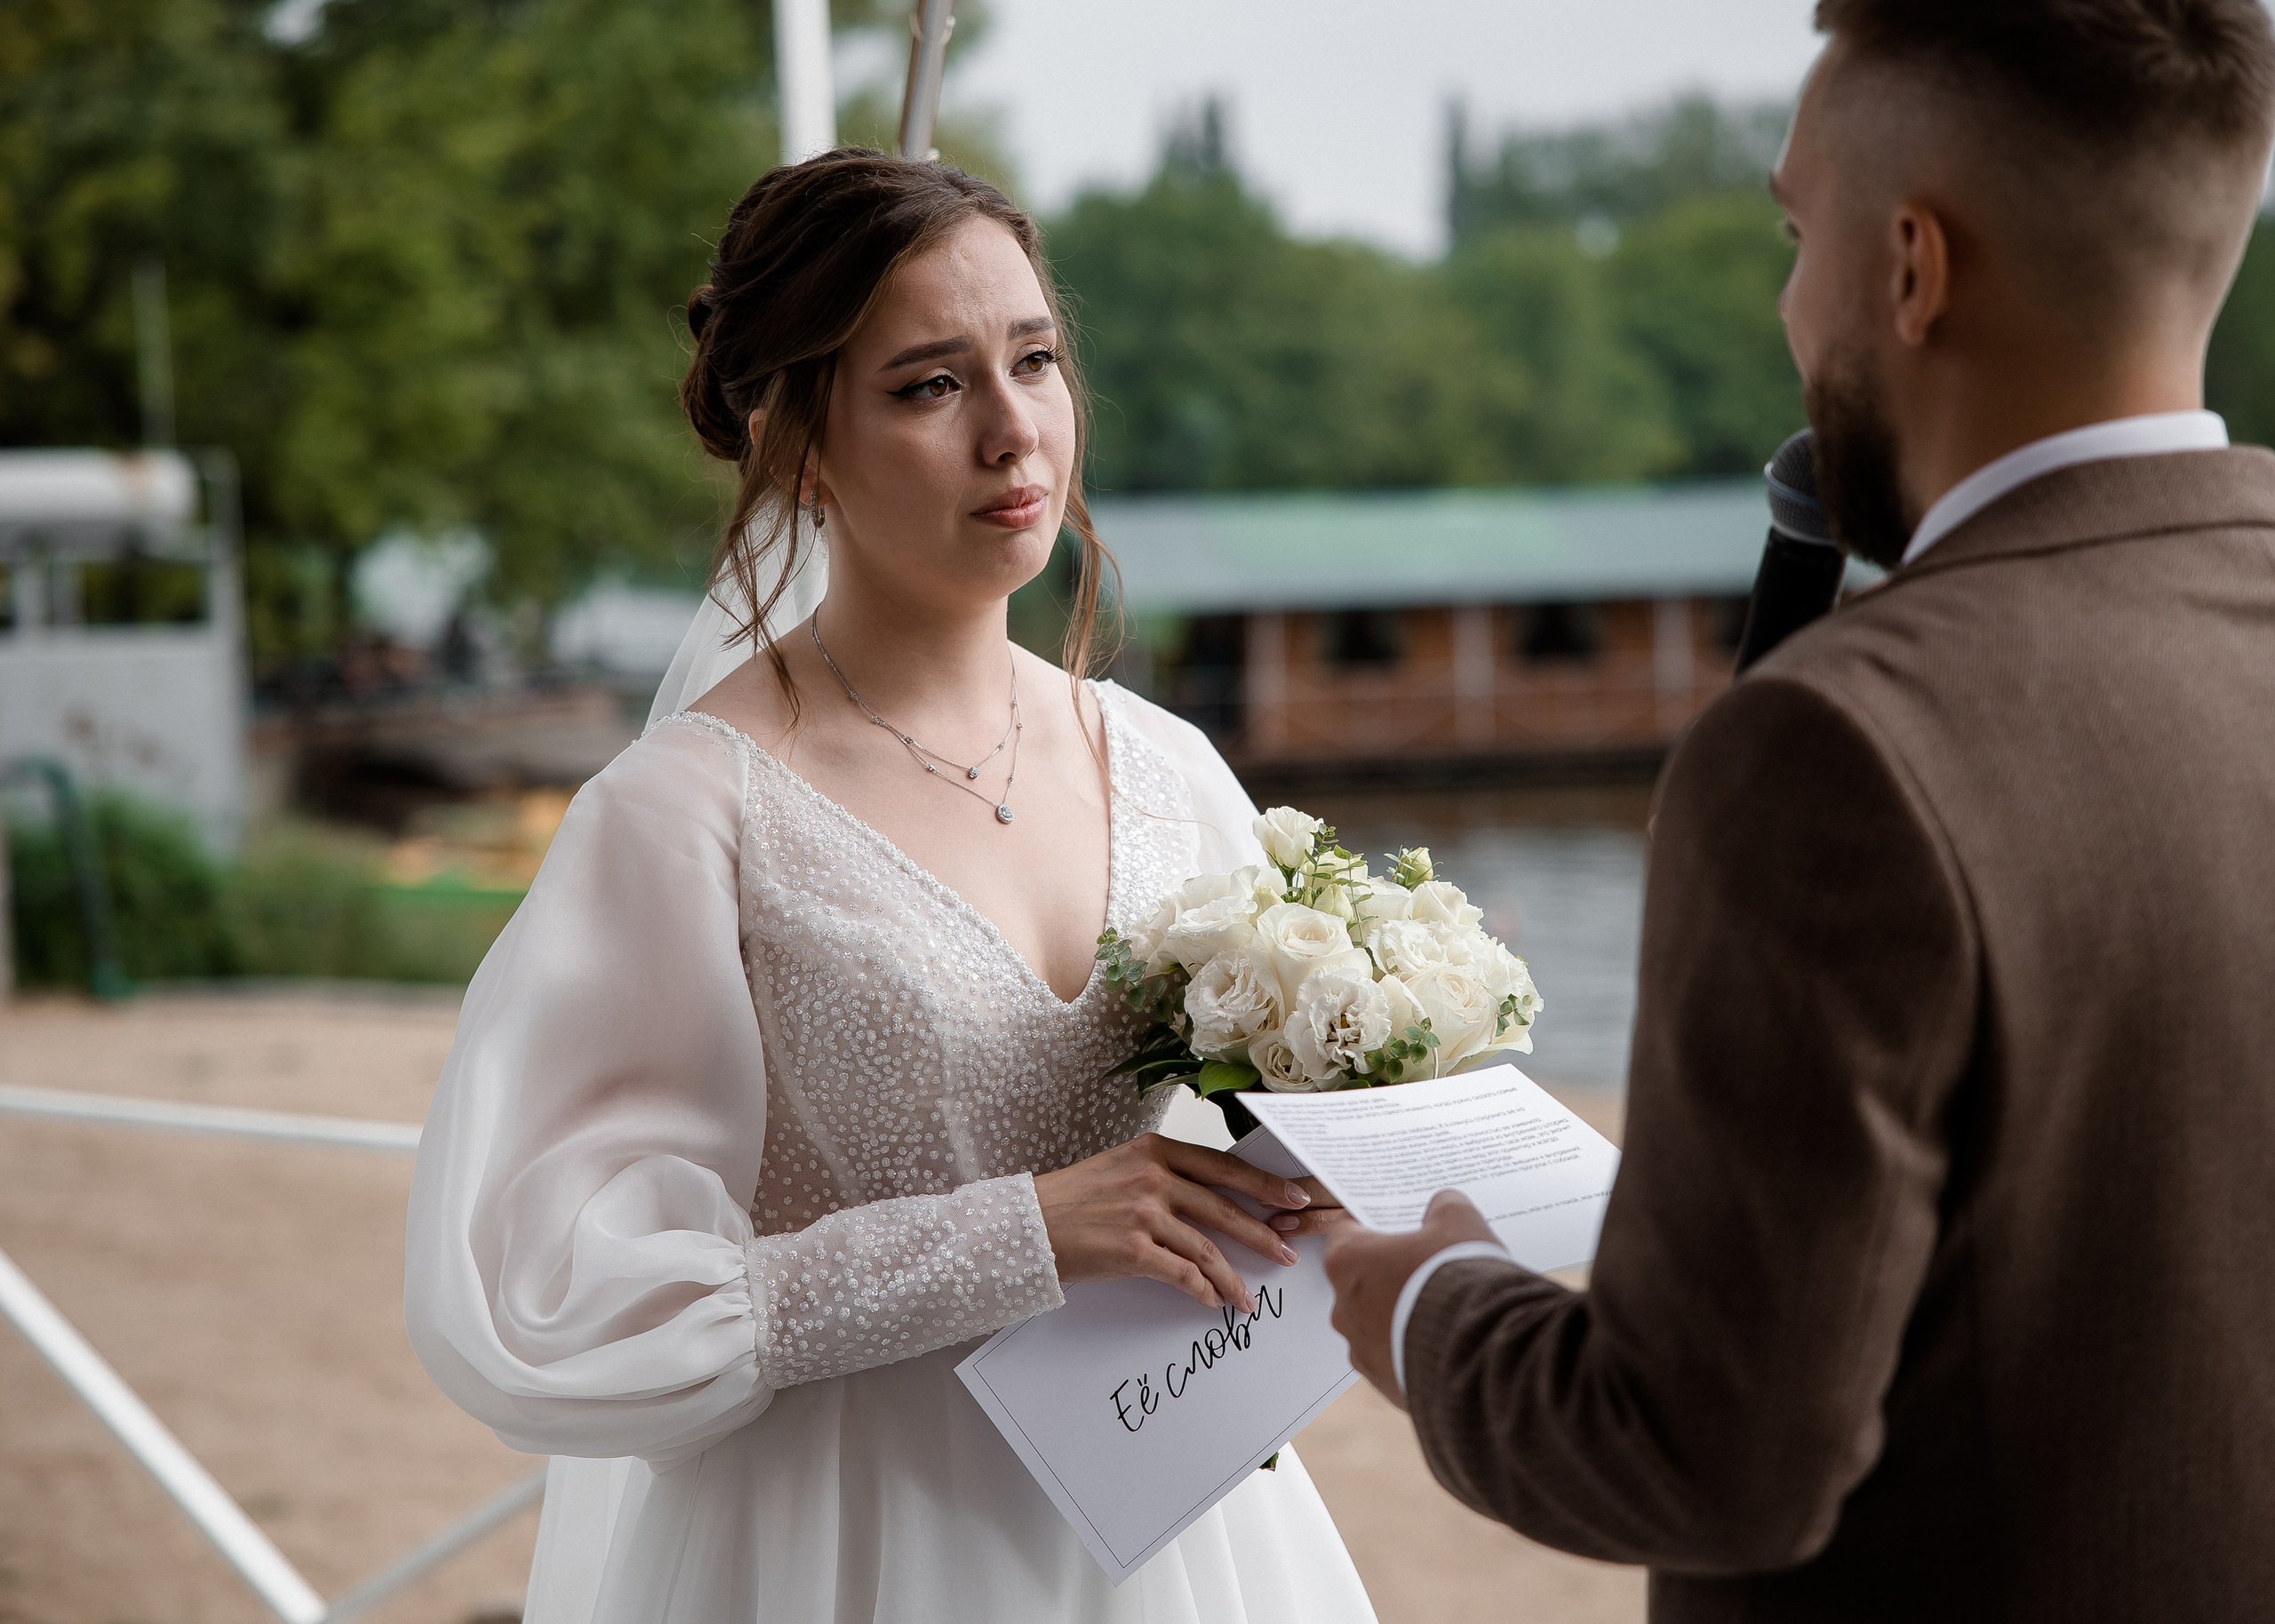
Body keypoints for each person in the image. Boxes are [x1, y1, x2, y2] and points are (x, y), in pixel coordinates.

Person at [1322, 2, 2275, 1620]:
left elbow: (1710, 1455)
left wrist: (1430, 1309)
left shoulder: (1837, 746)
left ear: (1911, 267)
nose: (1786, 302)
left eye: (1792, 233)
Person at [403, 151, 1375, 1624]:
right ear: (796, 446)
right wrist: (1018, 1235)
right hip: (853, 1533)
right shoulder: (690, 814)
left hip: (1173, 1513)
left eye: (1034, 361)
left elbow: (1278, 1146)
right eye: (930, 385)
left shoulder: (1169, 767)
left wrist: (1359, 1146)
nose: (1012, 431)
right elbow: (554, 1303)